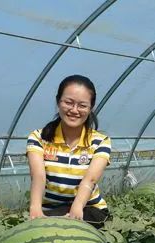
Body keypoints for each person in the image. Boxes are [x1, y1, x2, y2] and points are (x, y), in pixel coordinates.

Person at [26, 75, 111, 228]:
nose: (74, 110)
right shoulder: (38, 138)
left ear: (90, 107)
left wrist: (76, 210)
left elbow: (90, 180)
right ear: (58, 101)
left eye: (82, 105)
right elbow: (38, 175)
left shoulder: (100, 141)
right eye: (68, 103)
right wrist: (35, 209)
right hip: (51, 210)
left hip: (89, 210)